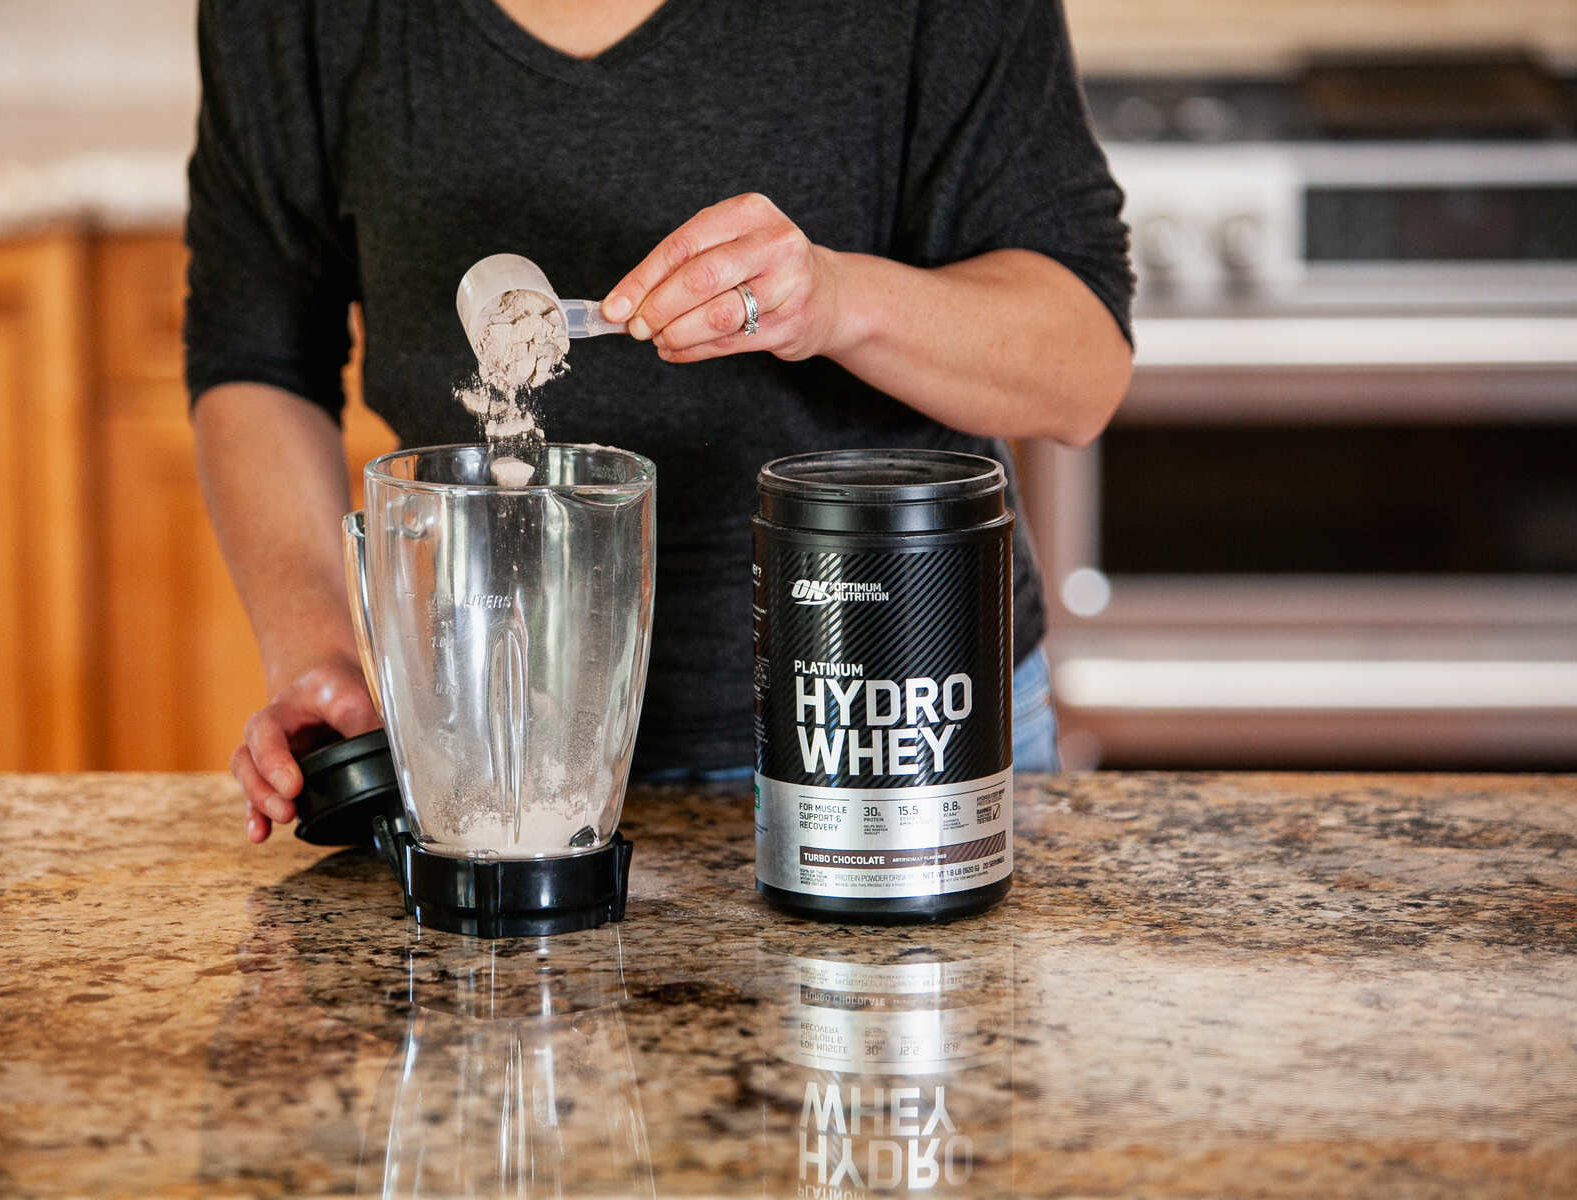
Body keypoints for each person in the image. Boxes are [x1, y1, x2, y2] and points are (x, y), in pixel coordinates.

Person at [184, 0, 1135, 843]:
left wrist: (837, 302)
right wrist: (319, 651)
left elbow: (1081, 373)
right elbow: (257, 365)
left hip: (900, 727)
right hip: (487, 753)